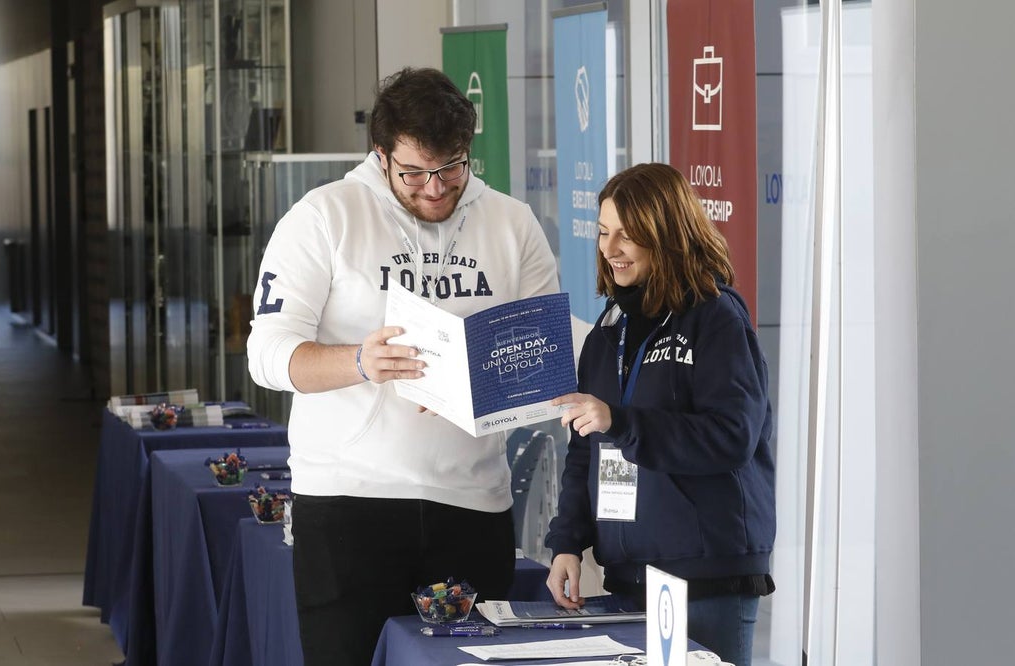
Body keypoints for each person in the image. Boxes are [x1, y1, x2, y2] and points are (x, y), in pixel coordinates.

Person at [245, 67, 559, 666]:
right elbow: (267, 354)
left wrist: (483, 378)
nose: (436, 188)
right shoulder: (324, 217)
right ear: (380, 155)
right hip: (347, 502)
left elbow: (544, 359)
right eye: (414, 173)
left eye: (452, 168)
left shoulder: (513, 225)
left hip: (472, 501)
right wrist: (361, 361)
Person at [544, 163, 775, 666]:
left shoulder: (716, 318)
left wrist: (621, 422)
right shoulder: (608, 330)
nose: (610, 248)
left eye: (629, 234)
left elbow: (732, 437)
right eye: (604, 233)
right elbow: (586, 450)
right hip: (629, 577)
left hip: (708, 579)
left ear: (666, 234)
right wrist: (567, 543)